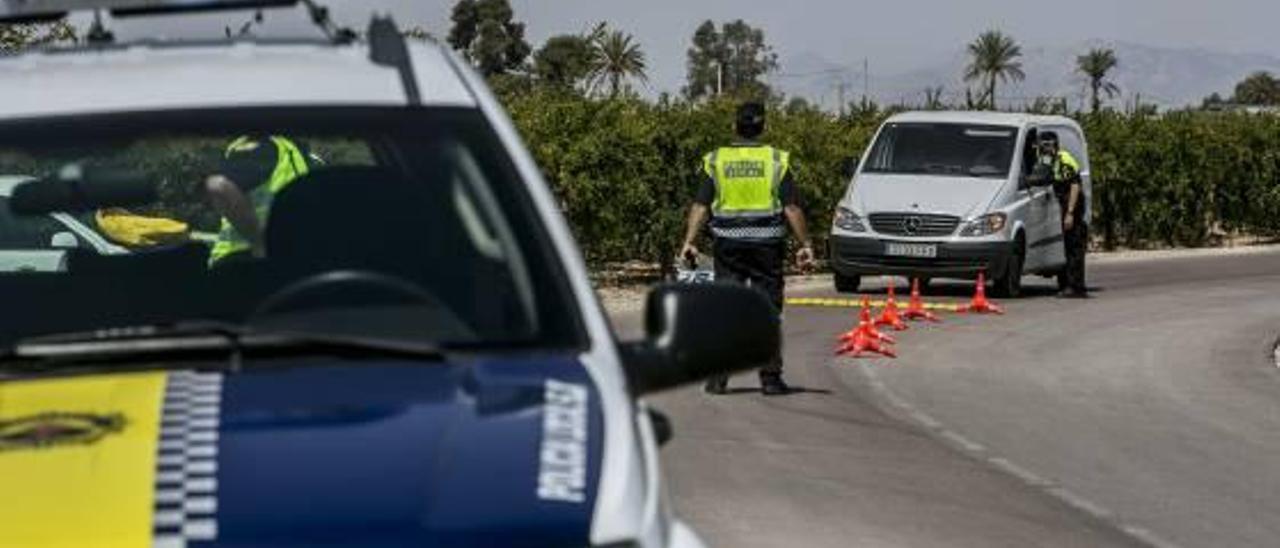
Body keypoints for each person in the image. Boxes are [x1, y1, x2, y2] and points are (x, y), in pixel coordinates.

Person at [679, 101, 816, 396]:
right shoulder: (776, 160)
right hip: (767, 247)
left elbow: (701, 205)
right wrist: (806, 244)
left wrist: (689, 241)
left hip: (728, 246)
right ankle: (770, 379)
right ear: (763, 127)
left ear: (734, 126)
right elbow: (792, 207)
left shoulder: (716, 160)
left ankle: (718, 378)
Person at [205, 135, 312, 266]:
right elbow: (219, 186)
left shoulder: (297, 153)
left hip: (276, 258)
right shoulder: (264, 146)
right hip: (241, 259)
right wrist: (259, 243)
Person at [1039, 131, 1088, 298]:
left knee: (1074, 247)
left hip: (1072, 203)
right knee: (1068, 246)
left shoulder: (1063, 159)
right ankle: (1069, 284)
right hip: (1063, 202)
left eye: (1048, 145)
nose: (1045, 149)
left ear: (1054, 145)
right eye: (1042, 146)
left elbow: (1075, 185)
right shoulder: (1048, 160)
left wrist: (1070, 213)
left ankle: (1075, 287)